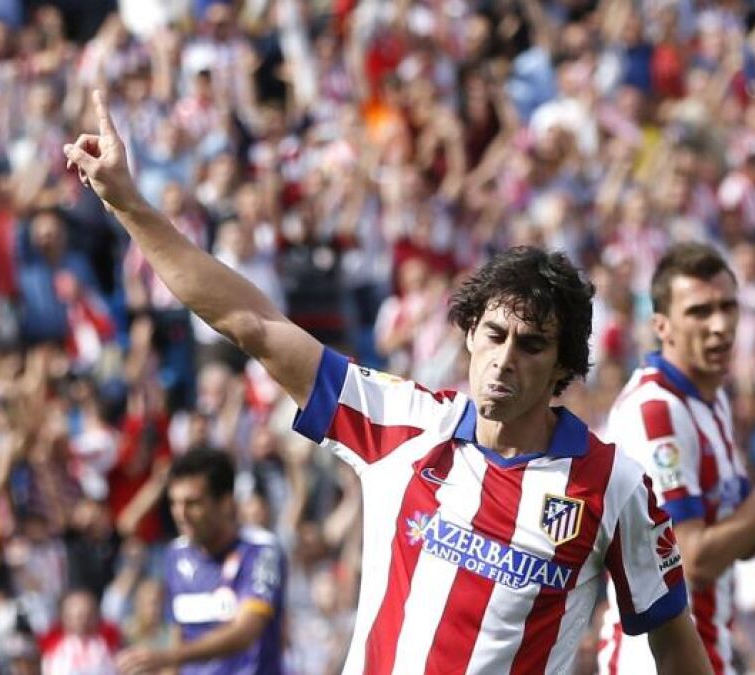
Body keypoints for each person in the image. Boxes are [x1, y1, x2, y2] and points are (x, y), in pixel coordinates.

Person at [65, 90, 711, 675]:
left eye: (532, 345)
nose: (505, 358)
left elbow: (675, 644)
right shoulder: (401, 423)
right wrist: (128, 203)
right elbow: (251, 323)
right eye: (494, 335)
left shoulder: (611, 484)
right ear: (468, 335)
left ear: (564, 367)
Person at [596, 242, 755, 673]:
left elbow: (744, 535)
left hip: (709, 652)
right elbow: (694, 560)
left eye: (728, 307)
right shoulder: (655, 410)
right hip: (652, 662)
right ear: (662, 326)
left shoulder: (711, 401)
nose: (720, 325)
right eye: (700, 312)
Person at [116, 449, 287, 674]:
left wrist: (168, 657)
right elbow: (179, 632)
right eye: (174, 503)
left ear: (225, 503)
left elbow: (246, 631)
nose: (181, 514)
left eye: (193, 503)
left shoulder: (260, 550)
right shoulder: (176, 555)